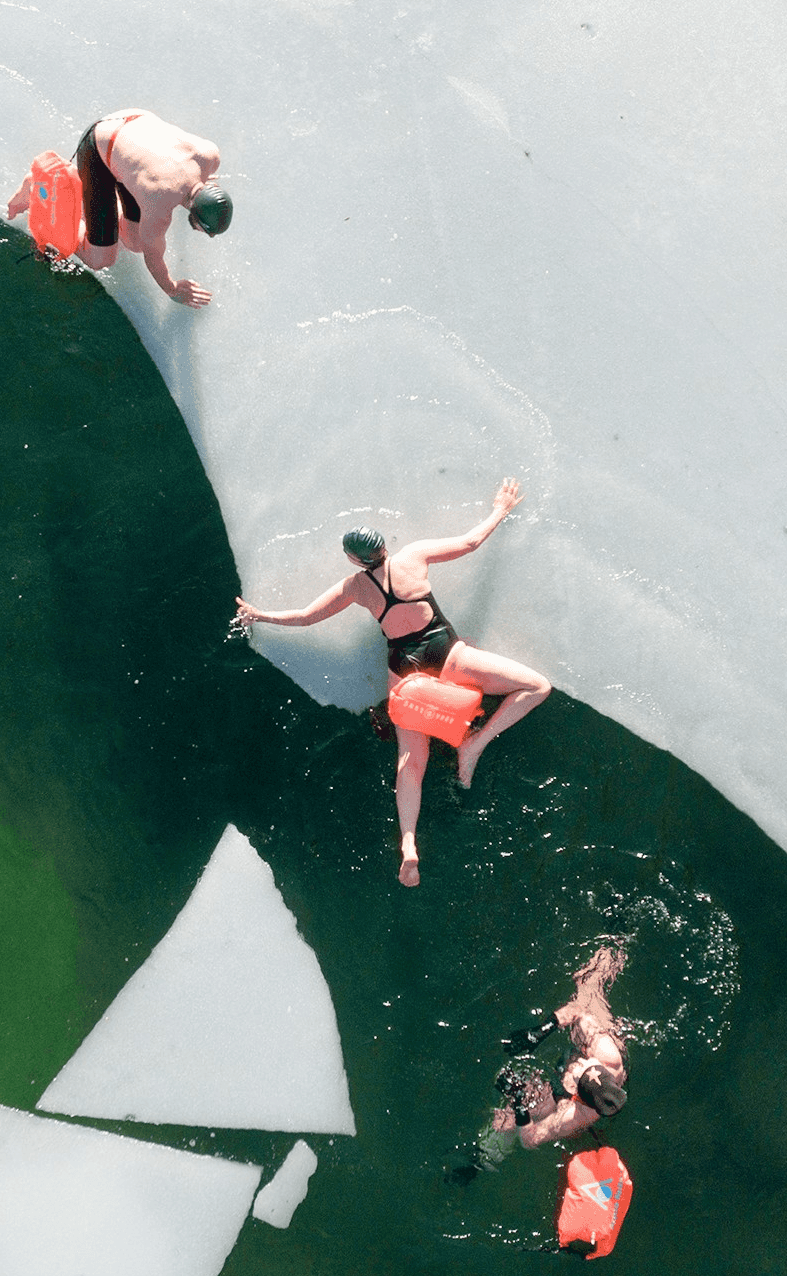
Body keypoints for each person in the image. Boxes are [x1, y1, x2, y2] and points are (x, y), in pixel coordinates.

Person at [232, 479, 551, 887]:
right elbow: (471, 542)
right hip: (448, 655)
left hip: (405, 670)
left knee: (410, 764)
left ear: (354, 560)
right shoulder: (414, 556)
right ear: (384, 546)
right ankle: (475, 743)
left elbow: (306, 617)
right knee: (536, 687)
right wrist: (499, 509)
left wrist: (259, 615)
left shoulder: (356, 588)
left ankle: (409, 845)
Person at [5, 109, 230, 307]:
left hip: (132, 123)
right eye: (202, 229)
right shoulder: (159, 207)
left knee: (135, 241)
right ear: (196, 217)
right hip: (99, 146)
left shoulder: (209, 156)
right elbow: (154, 259)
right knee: (101, 258)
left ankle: (98, 210)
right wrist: (172, 289)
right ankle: (43, 185)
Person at [492, 945, 630, 1150]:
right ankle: (617, 942)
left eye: (576, 1076)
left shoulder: (573, 1116)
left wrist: (519, 1103)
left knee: (503, 1123)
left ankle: (480, 1159)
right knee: (586, 984)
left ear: (578, 1096)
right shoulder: (608, 1054)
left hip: (565, 1099)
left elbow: (530, 1140)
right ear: (599, 1065)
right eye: (585, 1063)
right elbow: (580, 1011)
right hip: (599, 1064)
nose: (575, 1066)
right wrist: (541, 1031)